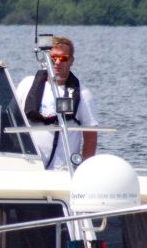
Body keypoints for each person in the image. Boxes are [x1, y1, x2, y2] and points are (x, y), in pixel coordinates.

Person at [21, 34, 98, 169]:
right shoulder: (26, 85)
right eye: (53, 58)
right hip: (29, 167)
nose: (57, 62)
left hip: (62, 171)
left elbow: (90, 136)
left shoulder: (83, 95)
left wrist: (84, 170)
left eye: (63, 58)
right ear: (45, 60)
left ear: (71, 61)